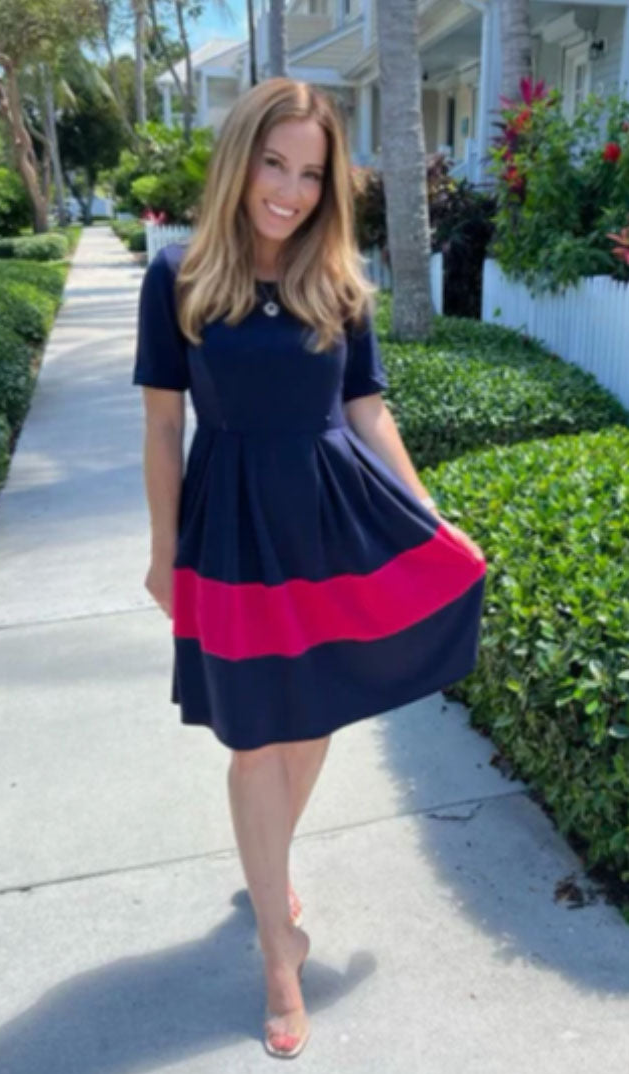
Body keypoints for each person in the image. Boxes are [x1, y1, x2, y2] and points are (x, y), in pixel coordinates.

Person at [132, 76, 487, 1059]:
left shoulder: (341, 282)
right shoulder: (180, 275)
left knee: (313, 717)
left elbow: (369, 412)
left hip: (331, 525)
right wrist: (163, 554)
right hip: (236, 531)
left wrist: (429, 519)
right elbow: (165, 424)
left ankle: (269, 861)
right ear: (241, 158)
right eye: (273, 164)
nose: (287, 190)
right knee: (256, 736)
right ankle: (278, 952)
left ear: (331, 186)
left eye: (309, 173)